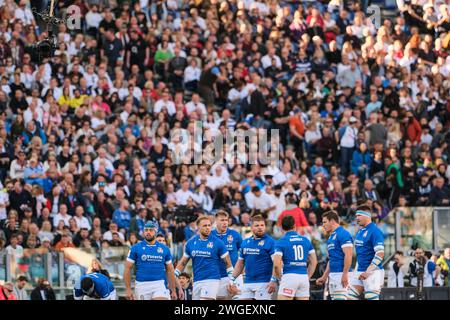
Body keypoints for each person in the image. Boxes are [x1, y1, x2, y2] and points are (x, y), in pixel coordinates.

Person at [174, 216, 234, 300]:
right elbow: (183, 262)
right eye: (205, 226)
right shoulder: (190, 243)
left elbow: (228, 263)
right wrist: (174, 275)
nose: (208, 228)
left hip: (212, 280)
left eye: (209, 225)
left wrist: (232, 280)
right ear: (198, 227)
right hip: (197, 280)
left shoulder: (218, 243)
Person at [124, 221, 180, 300]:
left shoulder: (165, 249)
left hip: (159, 284)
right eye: (146, 230)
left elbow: (170, 270)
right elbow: (127, 268)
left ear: (155, 231)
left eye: (151, 230)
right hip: (141, 284)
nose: (148, 232)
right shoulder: (135, 248)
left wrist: (173, 290)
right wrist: (128, 289)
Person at [228, 215, 277, 300]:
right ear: (251, 227)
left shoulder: (270, 242)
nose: (260, 228)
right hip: (248, 282)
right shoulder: (245, 242)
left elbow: (276, 263)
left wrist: (273, 280)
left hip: (264, 282)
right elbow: (240, 263)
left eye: (262, 225)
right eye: (257, 225)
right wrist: (232, 278)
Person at [272, 215, 318, 300]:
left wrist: (280, 277)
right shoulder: (305, 240)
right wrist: (307, 276)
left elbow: (276, 264)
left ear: (282, 228)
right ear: (294, 226)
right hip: (303, 277)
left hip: (289, 277)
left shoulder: (281, 242)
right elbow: (314, 262)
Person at [347, 206, 385, 300]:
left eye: (359, 215)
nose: (357, 218)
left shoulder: (375, 231)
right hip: (360, 270)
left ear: (367, 215)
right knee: (348, 296)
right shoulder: (360, 232)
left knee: (370, 297)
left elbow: (380, 253)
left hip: (373, 272)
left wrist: (368, 271)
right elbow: (360, 255)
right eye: (356, 215)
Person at [316, 211, 353, 300]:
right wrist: (324, 276)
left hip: (341, 274)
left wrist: (345, 274)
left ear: (332, 221)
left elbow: (348, 255)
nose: (323, 225)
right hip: (333, 275)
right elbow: (331, 259)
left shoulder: (343, 234)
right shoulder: (331, 237)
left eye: (325, 222)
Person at [211, 210, 243, 300]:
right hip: (218, 275)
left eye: (226, 220)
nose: (225, 222)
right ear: (216, 221)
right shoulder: (210, 235)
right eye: (222, 220)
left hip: (235, 274)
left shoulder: (235, 235)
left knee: (238, 297)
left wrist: (243, 268)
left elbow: (244, 252)